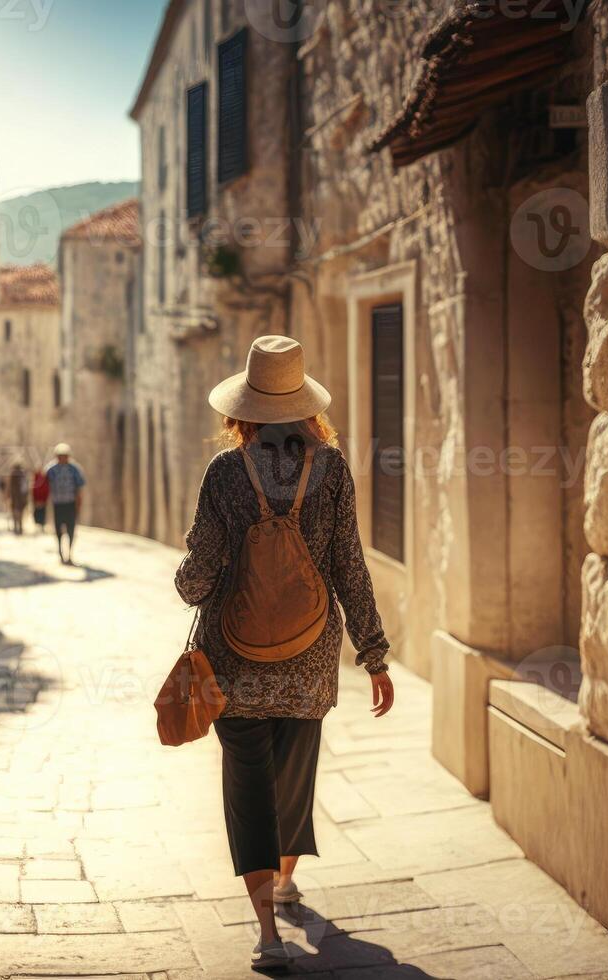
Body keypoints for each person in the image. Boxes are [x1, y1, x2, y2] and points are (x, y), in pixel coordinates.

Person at [174, 335, 395, 970]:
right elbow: (350, 564)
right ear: (305, 406)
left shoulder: (223, 474)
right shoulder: (331, 468)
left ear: (241, 409)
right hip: (309, 661)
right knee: (293, 783)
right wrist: (374, 655)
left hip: (236, 665)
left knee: (248, 790)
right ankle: (288, 879)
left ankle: (267, 933)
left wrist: (196, 565)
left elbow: (197, 580)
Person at [44, 442, 85, 565]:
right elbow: (44, 486)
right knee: (58, 530)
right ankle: (60, 553)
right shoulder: (51, 470)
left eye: (64, 455)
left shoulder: (74, 470)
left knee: (71, 529)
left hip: (70, 504)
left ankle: (70, 553)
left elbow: (79, 487)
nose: (62, 458)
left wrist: (78, 503)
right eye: (60, 455)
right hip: (57, 504)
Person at [7, 462, 29, 535]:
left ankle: (17, 526)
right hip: (18, 497)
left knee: (16, 512)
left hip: (16, 497)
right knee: (19, 513)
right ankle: (18, 526)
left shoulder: (15, 475)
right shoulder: (21, 475)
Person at [31, 468, 50, 533]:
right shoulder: (36, 480)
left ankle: (41, 525)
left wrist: (44, 500)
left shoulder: (44, 480)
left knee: (41, 513)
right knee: (38, 513)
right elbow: (34, 491)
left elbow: (46, 490)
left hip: (41, 500)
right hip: (39, 500)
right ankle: (39, 525)